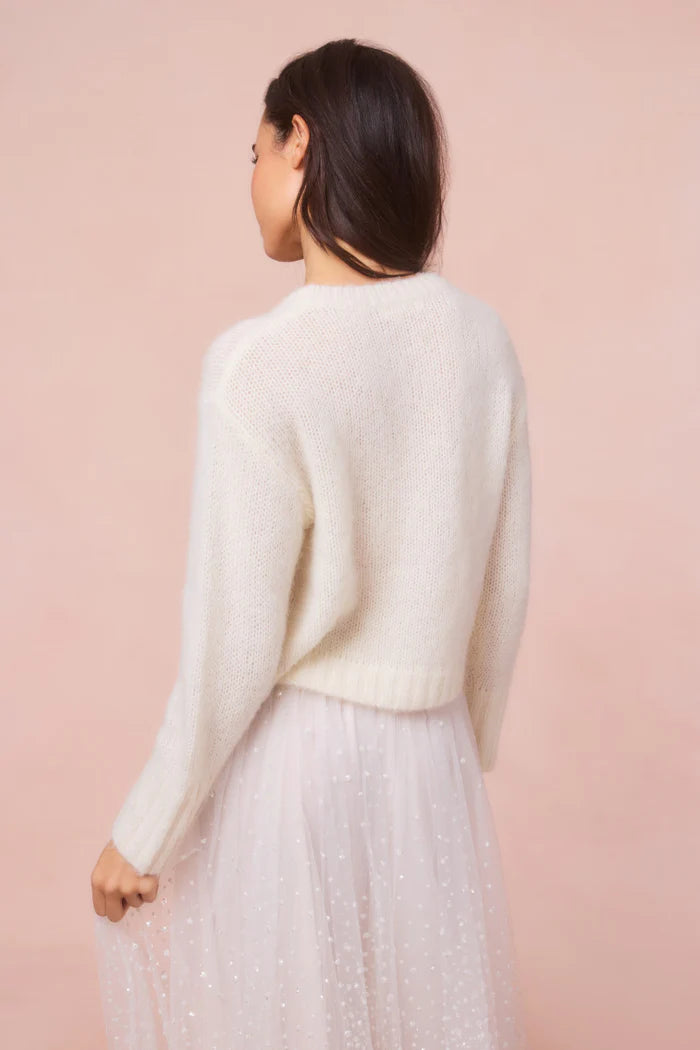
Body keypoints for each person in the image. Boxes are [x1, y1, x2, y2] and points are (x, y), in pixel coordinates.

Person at [91, 36, 532, 1050]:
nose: (249, 179)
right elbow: (502, 585)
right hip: (431, 758)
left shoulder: (261, 363)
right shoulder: (482, 344)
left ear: (300, 145)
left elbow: (232, 640)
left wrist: (146, 825)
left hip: (299, 770)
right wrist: (460, 752)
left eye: (253, 153)